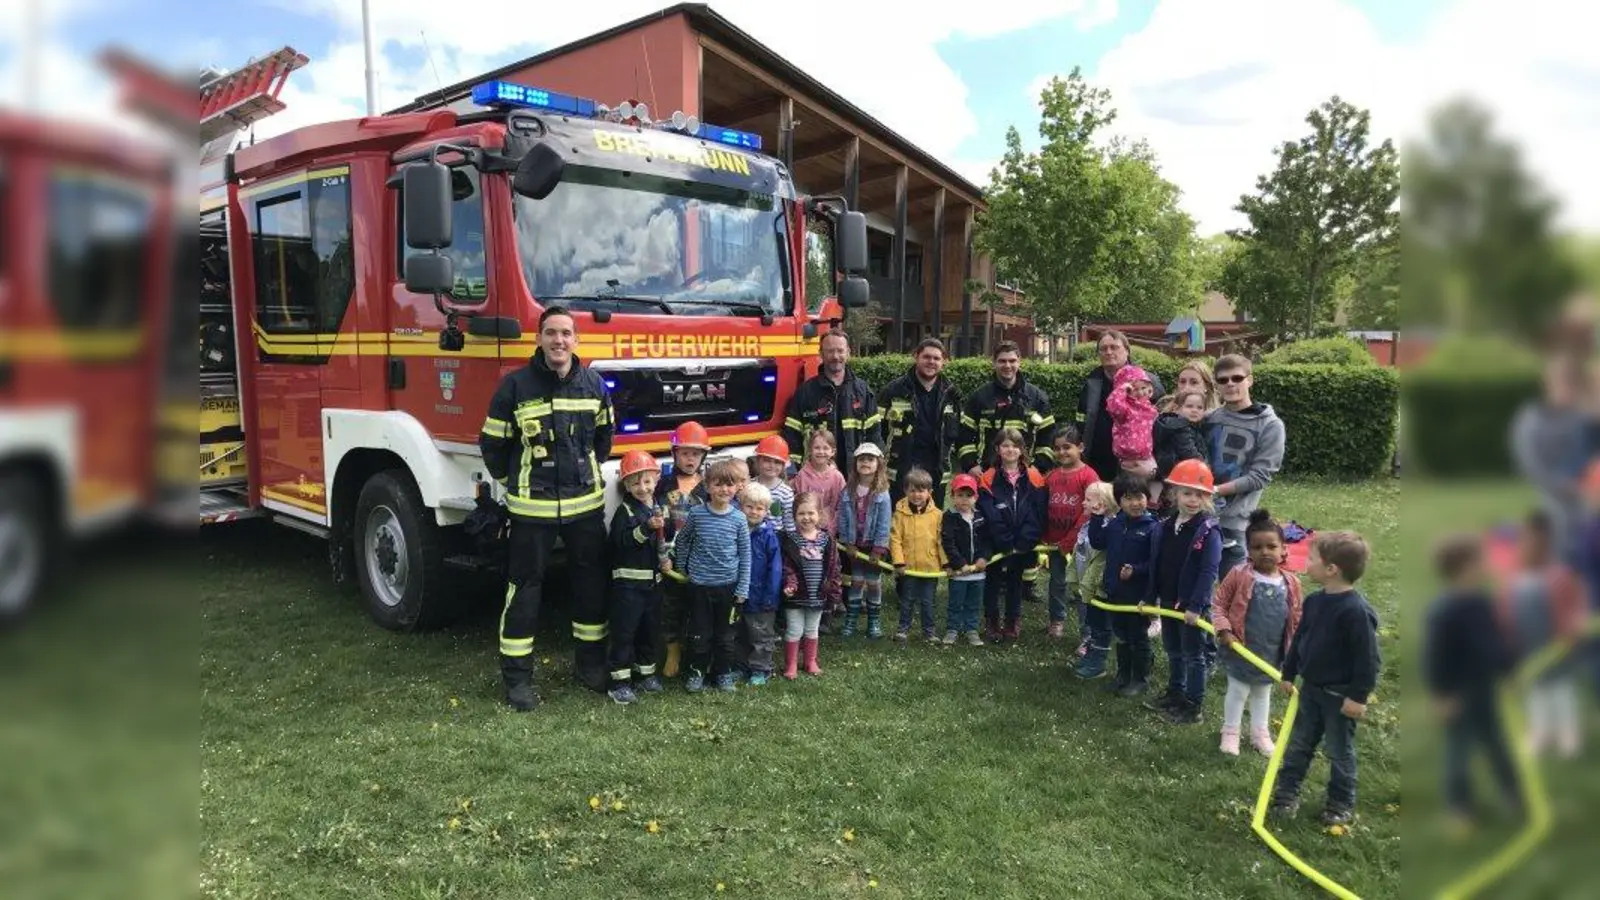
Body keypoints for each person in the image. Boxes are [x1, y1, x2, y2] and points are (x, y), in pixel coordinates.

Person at [479, 306, 614, 710]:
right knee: (524, 592)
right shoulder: (514, 386)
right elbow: (493, 445)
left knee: (591, 588)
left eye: (566, 334)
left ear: (576, 340)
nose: (559, 341)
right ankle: (517, 680)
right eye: (551, 333)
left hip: (585, 507)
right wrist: (516, 482)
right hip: (531, 512)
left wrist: (582, 475)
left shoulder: (594, 385)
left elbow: (603, 439)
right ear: (539, 338)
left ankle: (590, 667)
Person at [1271, 531, 1381, 826]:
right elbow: (1300, 638)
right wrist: (1289, 672)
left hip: (1339, 697)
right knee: (1299, 745)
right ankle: (1286, 794)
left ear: (1331, 569)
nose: (1306, 562)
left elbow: (1368, 660)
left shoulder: (1356, 612)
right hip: (1310, 690)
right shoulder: (1315, 602)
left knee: (1338, 752)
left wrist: (1357, 697)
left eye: (1311, 558)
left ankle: (1340, 804)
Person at [1424, 533, 1521, 829]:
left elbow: (1498, 642)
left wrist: (1510, 672)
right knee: (1459, 751)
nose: (1486, 565)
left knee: (1497, 744)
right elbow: (1436, 657)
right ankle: (1460, 808)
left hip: (1485, 689)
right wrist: (1442, 695)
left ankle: (1514, 797)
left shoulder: (1482, 602)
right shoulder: (1445, 611)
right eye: (1480, 560)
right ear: (1465, 566)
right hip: (1459, 693)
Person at [1211, 509, 1303, 755]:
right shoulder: (1239, 575)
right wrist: (1224, 630)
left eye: (1271, 546)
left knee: (1263, 692)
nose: (1265, 552)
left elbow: (1297, 616)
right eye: (1257, 547)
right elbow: (1219, 604)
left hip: (1271, 650)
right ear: (1249, 550)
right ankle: (1230, 731)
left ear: (1284, 549)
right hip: (1241, 647)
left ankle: (1259, 733)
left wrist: (1296, 646)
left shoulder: (1291, 583)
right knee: (1238, 690)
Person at [1143, 460, 1223, 726]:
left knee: (1193, 654)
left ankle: (1193, 705)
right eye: (1187, 493)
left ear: (1208, 498)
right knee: (1173, 649)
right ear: (1174, 493)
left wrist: (1196, 606)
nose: (1193, 499)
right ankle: (1175, 693)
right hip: (1167, 598)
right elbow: (1156, 563)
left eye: (1200, 494)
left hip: (1190, 605)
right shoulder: (1164, 527)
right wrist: (1150, 597)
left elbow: (1208, 572)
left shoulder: (1208, 532)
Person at [1502, 510, 1585, 758]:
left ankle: (1568, 733)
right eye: (1526, 544)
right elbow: (1506, 610)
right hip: (1528, 647)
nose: (1530, 550)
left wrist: (1570, 633)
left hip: (1556, 646)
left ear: (1547, 547)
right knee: (1536, 691)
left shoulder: (1559, 576)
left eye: (1538, 545)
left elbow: (1573, 606)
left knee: (1561, 689)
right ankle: (1541, 731)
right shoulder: (1515, 579)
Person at [669, 458, 752, 694]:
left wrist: (742, 588)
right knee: (699, 633)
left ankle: (723, 673)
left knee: (725, 636)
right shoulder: (696, 515)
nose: (723, 490)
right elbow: (683, 541)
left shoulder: (738, 519)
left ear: (737, 488)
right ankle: (697, 672)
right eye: (718, 484)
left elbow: (745, 556)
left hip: (728, 587)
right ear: (707, 487)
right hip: (700, 587)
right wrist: (685, 567)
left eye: (729, 485)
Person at [1207, 353, 1287, 577]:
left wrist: (1216, 491)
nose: (1230, 384)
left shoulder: (1271, 425)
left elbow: (1260, 476)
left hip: (1235, 521)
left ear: (1249, 380)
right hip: (1200, 515)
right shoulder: (1210, 419)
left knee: (1235, 593)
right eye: (1223, 380)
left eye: (1237, 378)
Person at [604, 451, 669, 705]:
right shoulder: (625, 512)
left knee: (649, 631)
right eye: (634, 483)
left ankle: (646, 675)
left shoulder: (658, 507)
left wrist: (668, 556)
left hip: (653, 585)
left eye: (646, 482)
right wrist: (645, 529)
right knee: (625, 633)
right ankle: (618, 683)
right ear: (626, 485)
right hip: (629, 587)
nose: (641, 488)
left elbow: (665, 539)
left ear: (656, 479)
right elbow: (620, 544)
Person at [1088, 473, 1160, 697]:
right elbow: (1097, 541)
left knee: (1137, 636)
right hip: (1115, 592)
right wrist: (1097, 518)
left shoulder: (1153, 528)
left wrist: (1136, 570)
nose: (1135, 503)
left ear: (1147, 498)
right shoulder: (1115, 525)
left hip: (1138, 595)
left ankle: (1140, 678)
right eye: (1128, 498)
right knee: (1121, 634)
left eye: (1139, 497)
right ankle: (1123, 674)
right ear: (1119, 501)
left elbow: (1156, 564)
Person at [1511, 359, 1590, 563]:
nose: (1569, 390)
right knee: (1563, 540)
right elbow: (1531, 465)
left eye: (1574, 384)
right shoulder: (1531, 421)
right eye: (1564, 383)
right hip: (1556, 498)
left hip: (1589, 493)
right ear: (1548, 384)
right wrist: (1564, 485)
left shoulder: (1583, 418)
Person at [655, 421, 712, 680]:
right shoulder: (662, 484)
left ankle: (697, 652)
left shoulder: (710, 486)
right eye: (685, 453)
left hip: (700, 556)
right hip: (670, 555)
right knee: (670, 605)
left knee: (699, 605)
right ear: (674, 453)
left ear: (704, 456)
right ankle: (673, 650)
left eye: (696, 453)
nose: (691, 459)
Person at [978, 428, 1047, 642]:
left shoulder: (1035, 477)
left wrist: (1026, 538)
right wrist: (1004, 538)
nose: (1010, 450)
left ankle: (1012, 620)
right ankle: (991, 620)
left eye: (1015, 445)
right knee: (993, 580)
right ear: (997, 449)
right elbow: (988, 512)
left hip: (1023, 542)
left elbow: (1038, 511)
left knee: (1015, 581)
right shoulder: (987, 478)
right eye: (1006, 445)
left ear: (1022, 450)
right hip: (996, 539)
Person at [782, 330, 883, 469]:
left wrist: (875, 470)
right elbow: (792, 437)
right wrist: (795, 471)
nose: (835, 356)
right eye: (830, 351)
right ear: (821, 354)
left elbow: (875, 435)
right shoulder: (805, 392)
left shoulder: (863, 391)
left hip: (854, 476)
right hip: (817, 477)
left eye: (840, 351)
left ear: (848, 352)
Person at [878, 338, 962, 505]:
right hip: (902, 467)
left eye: (937, 358)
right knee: (901, 520)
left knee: (932, 522)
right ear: (916, 357)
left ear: (944, 362)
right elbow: (878, 430)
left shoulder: (952, 394)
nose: (931, 362)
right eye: (926, 357)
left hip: (936, 469)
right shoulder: (894, 390)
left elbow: (959, 432)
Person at [958, 340, 1055, 477]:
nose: (1007, 365)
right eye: (1002, 361)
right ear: (994, 363)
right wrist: (971, 465)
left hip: (1026, 474)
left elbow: (1048, 437)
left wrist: (1039, 467)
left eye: (1012, 361)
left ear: (1019, 362)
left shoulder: (1037, 397)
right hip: (987, 473)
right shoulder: (979, 397)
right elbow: (964, 436)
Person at [1080, 330, 1166, 481]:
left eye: (1114, 347)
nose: (1108, 352)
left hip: (1138, 463)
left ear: (1127, 351)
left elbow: (1163, 423)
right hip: (1100, 462)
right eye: (1103, 348)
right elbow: (1081, 420)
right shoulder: (1092, 381)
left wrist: (1156, 465)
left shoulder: (1148, 382)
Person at [1043, 426, 1098, 640]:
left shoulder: (1089, 475)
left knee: (1082, 586)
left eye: (1067, 447)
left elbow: (1089, 513)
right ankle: (1056, 620)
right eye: (1056, 448)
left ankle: (1087, 632)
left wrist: (1070, 540)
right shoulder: (1052, 476)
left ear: (1080, 447)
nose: (1061, 452)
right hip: (1055, 542)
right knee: (1057, 582)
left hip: (1080, 543)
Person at [779, 492, 841, 678]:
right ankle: (791, 664)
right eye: (801, 514)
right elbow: (786, 566)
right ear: (794, 515)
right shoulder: (789, 540)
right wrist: (790, 584)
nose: (806, 517)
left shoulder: (827, 539)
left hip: (818, 595)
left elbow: (834, 567)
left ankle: (810, 661)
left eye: (811, 513)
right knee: (794, 629)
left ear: (819, 514)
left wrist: (835, 591)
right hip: (796, 595)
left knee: (812, 629)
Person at [838, 443, 893, 639]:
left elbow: (884, 523)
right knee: (856, 581)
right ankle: (851, 619)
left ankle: (873, 621)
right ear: (855, 464)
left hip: (873, 547)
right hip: (855, 546)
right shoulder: (847, 491)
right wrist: (847, 543)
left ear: (878, 464)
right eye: (862, 459)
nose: (866, 463)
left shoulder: (883, 493)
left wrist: (878, 549)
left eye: (870, 459)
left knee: (873, 583)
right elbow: (843, 519)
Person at [890, 467, 946, 643]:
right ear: (906, 491)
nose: (916, 495)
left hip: (930, 568)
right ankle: (902, 630)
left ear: (929, 492)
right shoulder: (900, 513)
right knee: (907, 601)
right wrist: (899, 562)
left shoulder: (938, 515)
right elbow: (895, 539)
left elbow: (941, 541)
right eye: (912, 490)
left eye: (921, 491)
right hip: (908, 568)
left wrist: (946, 564)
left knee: (928, 602)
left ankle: (929, 632)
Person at [739, 481, 786, 687]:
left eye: (759, 508)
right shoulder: (736, 530)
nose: (754, 512)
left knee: (761, 635)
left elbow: (775, 569)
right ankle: (740, 667)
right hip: (738, 593)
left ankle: (761, 669)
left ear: (767, 511)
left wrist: (770, 595)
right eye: (749, 506)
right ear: (740, 506)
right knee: (739, 633)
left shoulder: (768, 536)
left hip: (762, 596)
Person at [941, 474, 993, 646]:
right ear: (952, 497)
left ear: (976, 497)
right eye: (960, 495)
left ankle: (971, 630)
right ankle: (952, 629)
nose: (964, 500)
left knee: (973, 604)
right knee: (956, 602)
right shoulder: (949, 517)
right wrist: (960, 563)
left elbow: (987, 541)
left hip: (978, 573)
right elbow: (948, 543)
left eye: (968, 496)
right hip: (958, 572)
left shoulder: (980, 517)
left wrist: (983, 558)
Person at [1072, 481, 1117, 678]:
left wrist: (1098, 518)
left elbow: (1098, 544)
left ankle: (1097, 663)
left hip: (1101, 588)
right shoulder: (1090, 524)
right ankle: (1091, 656)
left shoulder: (1109, 526)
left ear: (1103, 505)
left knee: (1101, 626)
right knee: (1092, 622)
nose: (1083, 503)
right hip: (1089, 586)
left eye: (1089, 500)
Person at [1153, 390, 1210, 501]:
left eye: (1200, 407)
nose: (1194, 410)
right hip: (1175, 472)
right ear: (1177, 408)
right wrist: (1206, 467)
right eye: (1189, 406)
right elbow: (1189, 452)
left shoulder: (1190, 426)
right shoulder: (1180, 427)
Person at [793, 428, 847, 545]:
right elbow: (798, 504)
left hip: (829, 532)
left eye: (825, 448)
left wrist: (832, 528)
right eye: (817, 448)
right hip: (805, 530)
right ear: (810, 450)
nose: (821, 452)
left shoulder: (837, 477)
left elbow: (841, 506)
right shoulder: (802, 476)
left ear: (833, 452)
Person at [1105, 365, 1159, 479]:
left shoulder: (1150, 407)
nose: (1140, 393)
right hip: (1127, 458)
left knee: (1148, 488)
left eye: (1143, 388)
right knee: (1130, 488)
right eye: (1134, 389)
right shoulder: (1124, 409)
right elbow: (1113, 406)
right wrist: (1121, 389)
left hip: (1147, 457)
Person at [751, 435, 796, 533]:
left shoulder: (786, 492)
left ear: (783, 465)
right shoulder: (749, 486)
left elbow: (789, 523)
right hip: (752, 537)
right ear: (758, 461)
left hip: (776, 539)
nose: (772, 466)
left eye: (777, 462)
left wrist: (790, 544)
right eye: (767, 461)